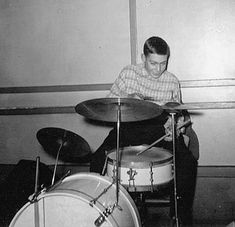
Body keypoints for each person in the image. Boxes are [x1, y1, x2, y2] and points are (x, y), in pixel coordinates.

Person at [90, 36, 199, 226]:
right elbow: (107, 107)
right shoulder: (128, 73)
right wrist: (128, 99)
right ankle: (104, 216)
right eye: (153, 63)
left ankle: (180, 218)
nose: (158, 69)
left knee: (187, 163)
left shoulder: (172, 81)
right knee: (98, 159)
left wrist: (175, 125)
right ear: (143, 57)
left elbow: (179, 115)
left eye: (163, 63)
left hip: (159, 131)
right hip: (128, 128)